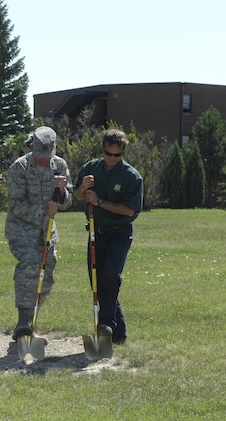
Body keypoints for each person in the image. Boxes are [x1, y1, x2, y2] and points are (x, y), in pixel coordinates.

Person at [73, 128, 143, 344]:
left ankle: (105, 325)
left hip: (119, 233)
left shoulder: (131, 176)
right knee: (99, 282)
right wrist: (83, 189)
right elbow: (77, 196)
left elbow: (131, 211)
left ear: (123, 152)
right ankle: (117, 333)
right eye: (108, 153)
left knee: (111, 275)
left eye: (117, 155)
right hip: (96, 232)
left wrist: (100, 202)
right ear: (103, 149)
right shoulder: (90, 168)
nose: (112, 158)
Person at [5, 126, 73, 339]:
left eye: (47, 156)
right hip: (21, 229)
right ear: (32, 146)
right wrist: (43, 210)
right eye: (39, 155)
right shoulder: (20, 168)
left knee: (47, 274)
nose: (43, 159)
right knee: (30, 265)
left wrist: (62, 192)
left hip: (47, 232)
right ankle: (22, 320)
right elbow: (15, 204)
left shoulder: (60, 166)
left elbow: (69, 202)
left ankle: (31, 319)